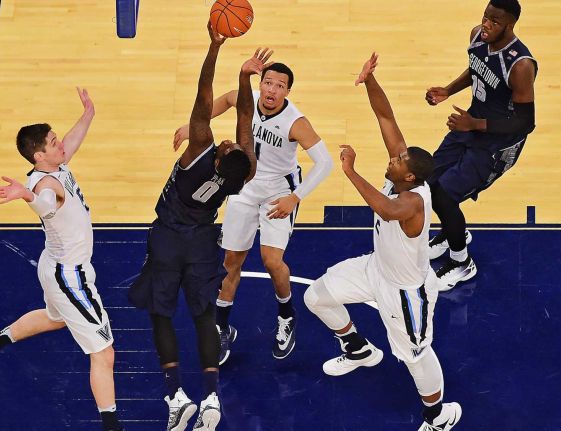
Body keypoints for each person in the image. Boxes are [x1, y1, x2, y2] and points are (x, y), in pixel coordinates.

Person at [303, 54, 462, 431]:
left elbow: (385, 208)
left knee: (415, 355)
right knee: (316, 297)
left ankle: (438, 416)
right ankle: (358, 348)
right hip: (376, 269)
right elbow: (386, 119)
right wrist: (370, 81)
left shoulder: (411, 202)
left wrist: (350, 171)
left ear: (408, 178)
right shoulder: (404, 175)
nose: (393, 160)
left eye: (399, 162)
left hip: (407, 292)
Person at [128, 23, 270, 431]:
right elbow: (247, 114)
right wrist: (245, 78)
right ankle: (210, 398)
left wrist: (214, 47)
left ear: (220, 157)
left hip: (170, 237)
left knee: (161, 314)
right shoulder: (244, 170)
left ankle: (176, 396)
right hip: (205, 239)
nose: (227, 141)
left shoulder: (199, 151)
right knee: (204, 315)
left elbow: (203, 93)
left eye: (226, 147)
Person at [0, 88, 125, 431]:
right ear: (39, 156)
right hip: (70, 275)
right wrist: (26, 197)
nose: (60, 143)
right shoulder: (44, 186)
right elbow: (47, 206)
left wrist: (89, 113)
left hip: (54, 266)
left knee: (57, 318)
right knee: (104, 353)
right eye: (53, 142)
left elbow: (72, 140)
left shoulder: (55, 165)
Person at [173, 55, 333, 364]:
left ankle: (287, 315)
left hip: (279, 193)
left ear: (288, 92)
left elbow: (324, 163)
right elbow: (225, 100)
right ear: (261, 84)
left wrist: (295, 198)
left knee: (272, 261)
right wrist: (191, 127)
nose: (272, 90)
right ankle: (221, 327)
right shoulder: (249, 99)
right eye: (269, 82)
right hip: (245, 189)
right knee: (231, 261)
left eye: (280, 86)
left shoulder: (295, 122)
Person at [425, 0, 537, 289]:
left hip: (498, 144)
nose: (486, 24)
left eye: (495, 21)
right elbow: (477, 68)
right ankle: (453, 233)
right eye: (486, 17)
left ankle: (462, 262)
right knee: (431, 181)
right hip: (471, 124)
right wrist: (448, 90)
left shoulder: (521, 65)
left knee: (445, 196)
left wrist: (475, 125)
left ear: (510, 25)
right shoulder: (477, 35)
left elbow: (526, 123)